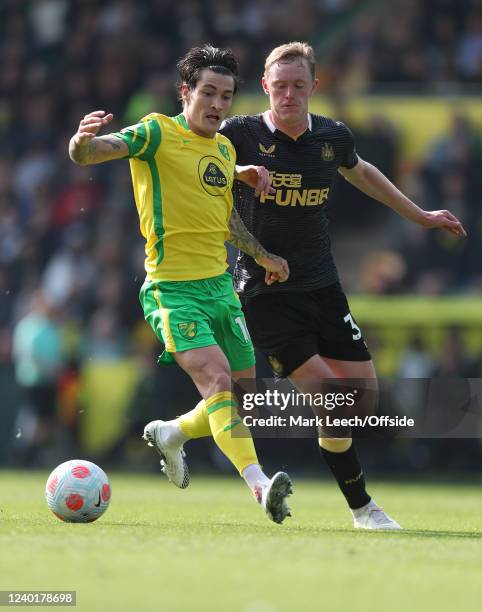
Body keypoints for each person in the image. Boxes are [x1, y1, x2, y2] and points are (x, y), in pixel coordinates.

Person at [220, 42, 467, 530]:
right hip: (264, 290)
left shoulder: (331, 137)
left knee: (362, 400)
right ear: (265, 86)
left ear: (314, 86)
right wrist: (257, 248)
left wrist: (418, 215)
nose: (288, 95)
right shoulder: (239, 135)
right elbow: (206, 186)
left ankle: (180, 429)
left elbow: (361, 172)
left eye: (298, 85)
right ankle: (363, 509)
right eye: (279, 86)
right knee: (333, 397)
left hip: (323, 286)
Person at [69, 45, 293, 524]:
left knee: (245, 399)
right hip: (172, 289)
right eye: (208, 92)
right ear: (186, 92)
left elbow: (223, 212)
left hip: (220, 287)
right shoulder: (156, 131)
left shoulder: (225, 147)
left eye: (226, 95)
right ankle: (260, 487)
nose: (217, 104)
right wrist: (81, 143)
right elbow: (97, 152)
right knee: (215, 380)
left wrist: (262, 254)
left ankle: (171, 433)